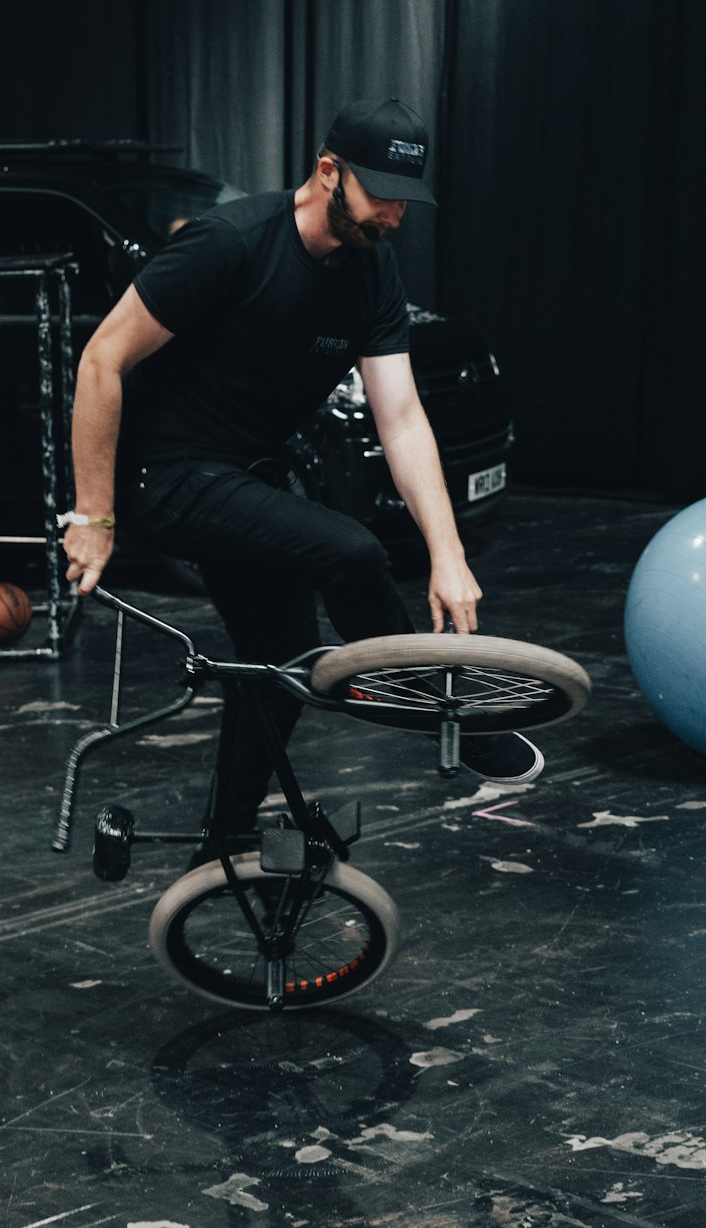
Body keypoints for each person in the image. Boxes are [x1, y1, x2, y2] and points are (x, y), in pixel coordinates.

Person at [61, 97, 543, 849]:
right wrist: (94, 517)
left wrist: (449, 554)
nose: (392, 216)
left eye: (405, 203)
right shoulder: (230, 243)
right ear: (329, 171)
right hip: (169, 474)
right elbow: (101, 360)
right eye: (380, 195)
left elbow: (403, 419)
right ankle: (433, 709)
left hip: (248, 478)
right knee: (349, 549)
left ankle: (223, 837)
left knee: (279, 662)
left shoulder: (373, 269)